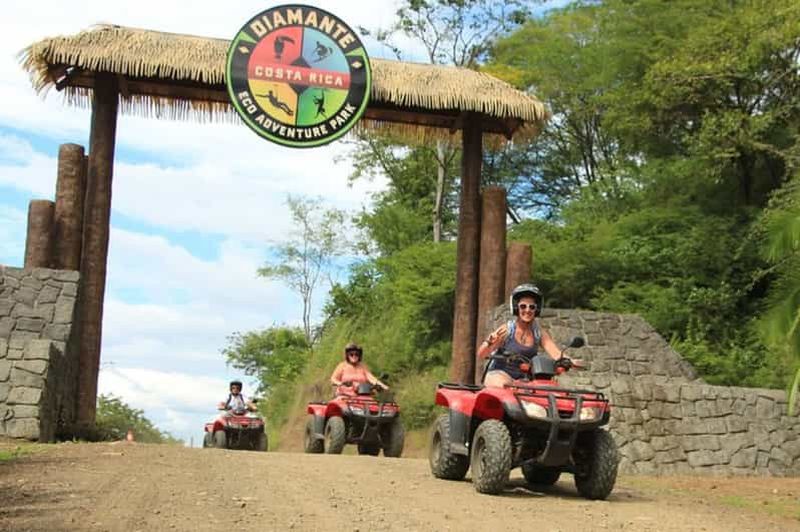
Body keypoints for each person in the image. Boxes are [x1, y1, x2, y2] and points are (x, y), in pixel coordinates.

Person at [477, 284, 573, 387]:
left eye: (532, 307)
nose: (527, 310)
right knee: (501, 384)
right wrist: (489, 343)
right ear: (516, 308)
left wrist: (570, 362)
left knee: (550, 389)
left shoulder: (538, 333)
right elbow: (482, 354)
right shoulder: (506, 330)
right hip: (501, 374)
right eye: (523, 306)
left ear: (537, 309)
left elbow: (556, 353)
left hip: (526, 380)